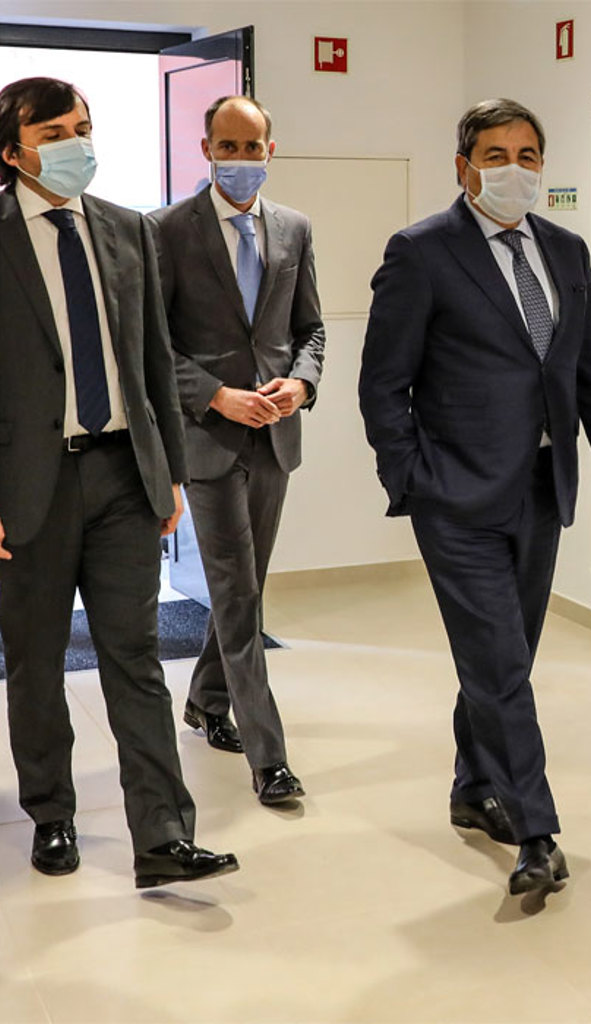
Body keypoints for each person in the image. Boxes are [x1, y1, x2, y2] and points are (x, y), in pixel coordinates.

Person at [359, 98, 591, 900]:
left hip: (541, 488)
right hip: (456, 496)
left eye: (526, 154)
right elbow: (384, 384)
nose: (511, 169)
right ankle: (536, 829)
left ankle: (471, 785)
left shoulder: (567, 250)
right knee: (503, 667)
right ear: (463, 166)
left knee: (502, 657)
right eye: (494, 154)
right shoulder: (421, 253)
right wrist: (411, 479)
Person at [0, 76, 238, 887]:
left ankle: (163, 836)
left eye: (84, 127)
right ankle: (53, 813)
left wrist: (166, 473)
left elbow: (151, 361)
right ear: (13, 152)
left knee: (134, 656)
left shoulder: (128, 230)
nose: (77, 145)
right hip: (25, 486)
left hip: (122, 475)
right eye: (57, 134)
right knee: (35, 659)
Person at [150, 95, 325, 807]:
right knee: (237, 591)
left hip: (276, 437)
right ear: (206, 148)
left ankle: (205, 700)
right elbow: (152, 346)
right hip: (210, 438)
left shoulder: (294, 229)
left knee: (250, 586)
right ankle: (268, 757)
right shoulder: (165, 230)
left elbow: (310, 331)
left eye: (253, 148)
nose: (242, 160)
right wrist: (217, 396)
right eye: (228, 146)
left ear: (270, 150)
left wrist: (302, 388)